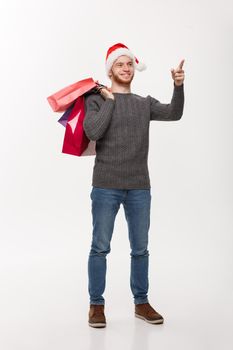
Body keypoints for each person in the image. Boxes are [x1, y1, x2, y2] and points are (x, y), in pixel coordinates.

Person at [83, 43, 185, 328]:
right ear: (110, 70)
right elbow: (93, 130)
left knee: (140, 248)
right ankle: (96, 306)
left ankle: (141, 303)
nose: (126, 68)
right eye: (120, 64)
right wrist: (111, 101)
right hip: (105, 185)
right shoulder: (96, 100)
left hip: (139, 186)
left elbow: (174, 112)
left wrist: (177, 86)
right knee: (100, 247)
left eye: (129, 64)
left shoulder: (143, 103)